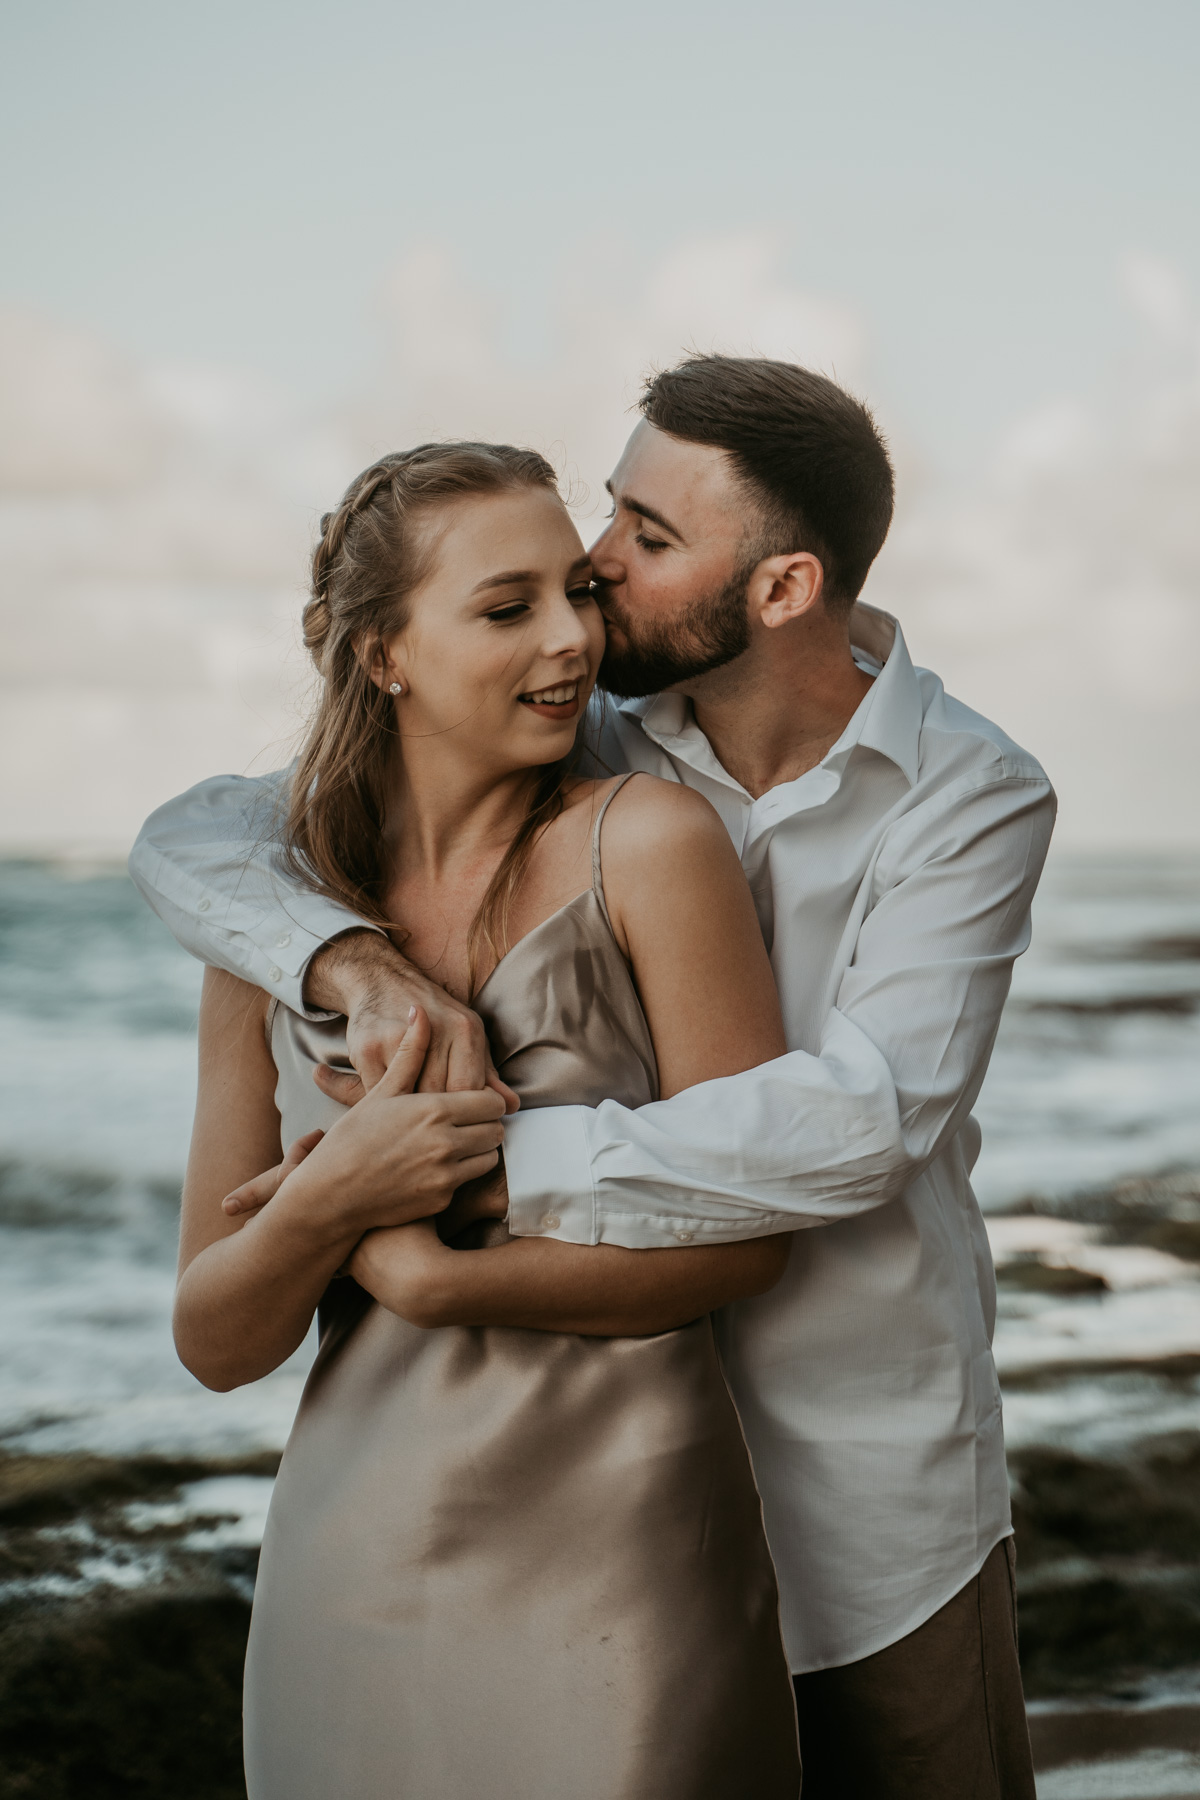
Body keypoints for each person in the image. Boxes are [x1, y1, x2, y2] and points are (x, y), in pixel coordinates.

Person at [133, 355, 1055, 1800]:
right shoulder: (602, 721)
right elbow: (198, 840)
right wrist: (342, 962)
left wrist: (463, 1200)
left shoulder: (967, 793)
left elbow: (862, 1126)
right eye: (600, 527)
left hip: (852, 1453)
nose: (596, 584)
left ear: (781, 589)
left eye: (639, 543)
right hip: (448, 1506)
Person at [169, 440, 801, 1800]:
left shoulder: (648, 844)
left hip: (629, 1549)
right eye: (509, 608)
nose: (576, 638)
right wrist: (339, 1200)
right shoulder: (273, 929)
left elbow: (754, 1241)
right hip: (351, 1563)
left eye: (577, 591)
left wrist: (428, 1282)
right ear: (384, 654)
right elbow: (217, 1337)